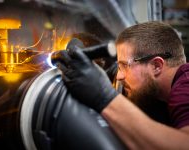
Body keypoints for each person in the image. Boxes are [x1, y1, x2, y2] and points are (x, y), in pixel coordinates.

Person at [56, 21, 189, 149]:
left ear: (156, 66)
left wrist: (104, 97)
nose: (119, 76)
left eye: (124, 66)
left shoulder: (185, 86)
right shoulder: (165, 96)